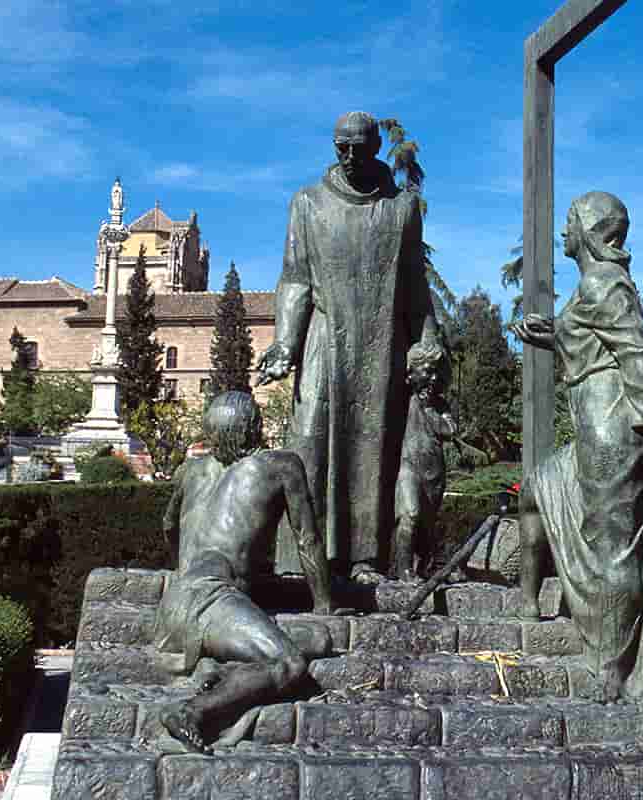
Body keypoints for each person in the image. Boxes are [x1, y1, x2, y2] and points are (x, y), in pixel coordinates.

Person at [512, 192, 643, 703]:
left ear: (590, 232)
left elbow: (640, 357)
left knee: (613, 548)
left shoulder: (603, 282)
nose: (563, 232)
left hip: (614, 425)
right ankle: (529, 606)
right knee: (535, 490)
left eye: (569, 223)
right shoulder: (594, 286)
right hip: (594, 420)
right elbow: (596, 340)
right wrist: (550, 335)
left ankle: (611, 671)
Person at [258, 110, 441, 583]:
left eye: (359, 146)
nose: (350, 155)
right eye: (342, 146)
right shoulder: (307, 203)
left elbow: (415, 288)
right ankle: (304, 561)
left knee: (375, 448)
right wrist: (284, 344)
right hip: (325, 340)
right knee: (310, 444)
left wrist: (429, 341)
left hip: (383, 346)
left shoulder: (401, 209)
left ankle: (366, 560)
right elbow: (295, 280)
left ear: (376, 146)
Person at [155, 391, 334, 753]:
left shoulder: (190, 470)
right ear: (254, 427)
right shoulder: (280, 465)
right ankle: (191, 712)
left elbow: (168, 526)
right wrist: (326, 603)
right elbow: (307, 541)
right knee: (289, 662)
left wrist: (185, 572)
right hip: (212, 600)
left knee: (319, 641)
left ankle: (218, 673)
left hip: (174, 601)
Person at [392, 342, 456, 581]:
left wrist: (430, 410)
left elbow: (450, 430)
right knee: (410, 513)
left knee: (427, 523)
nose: (432, 377)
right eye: (427, 371)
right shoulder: (402, 398)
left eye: (436, 372)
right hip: (407, 466)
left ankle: (424, 566)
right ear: (411, 372)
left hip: (434, 471)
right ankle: (403, 570)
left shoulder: (439, 404)